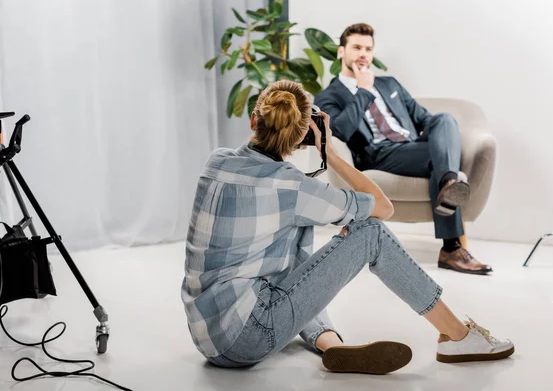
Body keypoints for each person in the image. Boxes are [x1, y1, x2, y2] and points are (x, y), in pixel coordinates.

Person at [181, 80, 514, 374]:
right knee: (370, 234)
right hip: (249, 338)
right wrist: (332, 153)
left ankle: (331, 345)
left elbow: (294, 267)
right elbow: (383, 208)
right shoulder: (292, 187)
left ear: (254, 120)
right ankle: (456, 335)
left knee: (287, 257)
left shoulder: (218, 161)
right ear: (302, 138)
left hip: (206, 335)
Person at [314, 23, 492, 275]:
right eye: (356, 47)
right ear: (341, 52)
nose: (363, 53)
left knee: (444, 120)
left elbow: (424, 119)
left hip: (412, 147)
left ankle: (448, 184)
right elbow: (341, 130)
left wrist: (441, 134)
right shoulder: (328, 95)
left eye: (368, 48)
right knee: (438, 158)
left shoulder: (389, 84)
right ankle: (451, 248)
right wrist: (363, 90)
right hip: (379, 153)